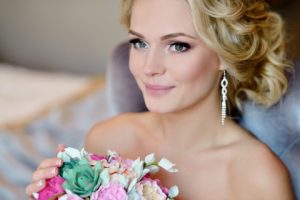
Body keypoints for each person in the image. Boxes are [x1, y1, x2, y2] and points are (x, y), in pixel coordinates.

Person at [26, 0, 296, 199]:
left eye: (178, 45)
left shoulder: (257, 177)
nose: (149, 67)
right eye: (139, 43)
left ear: (225, 53)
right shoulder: (110, 141)